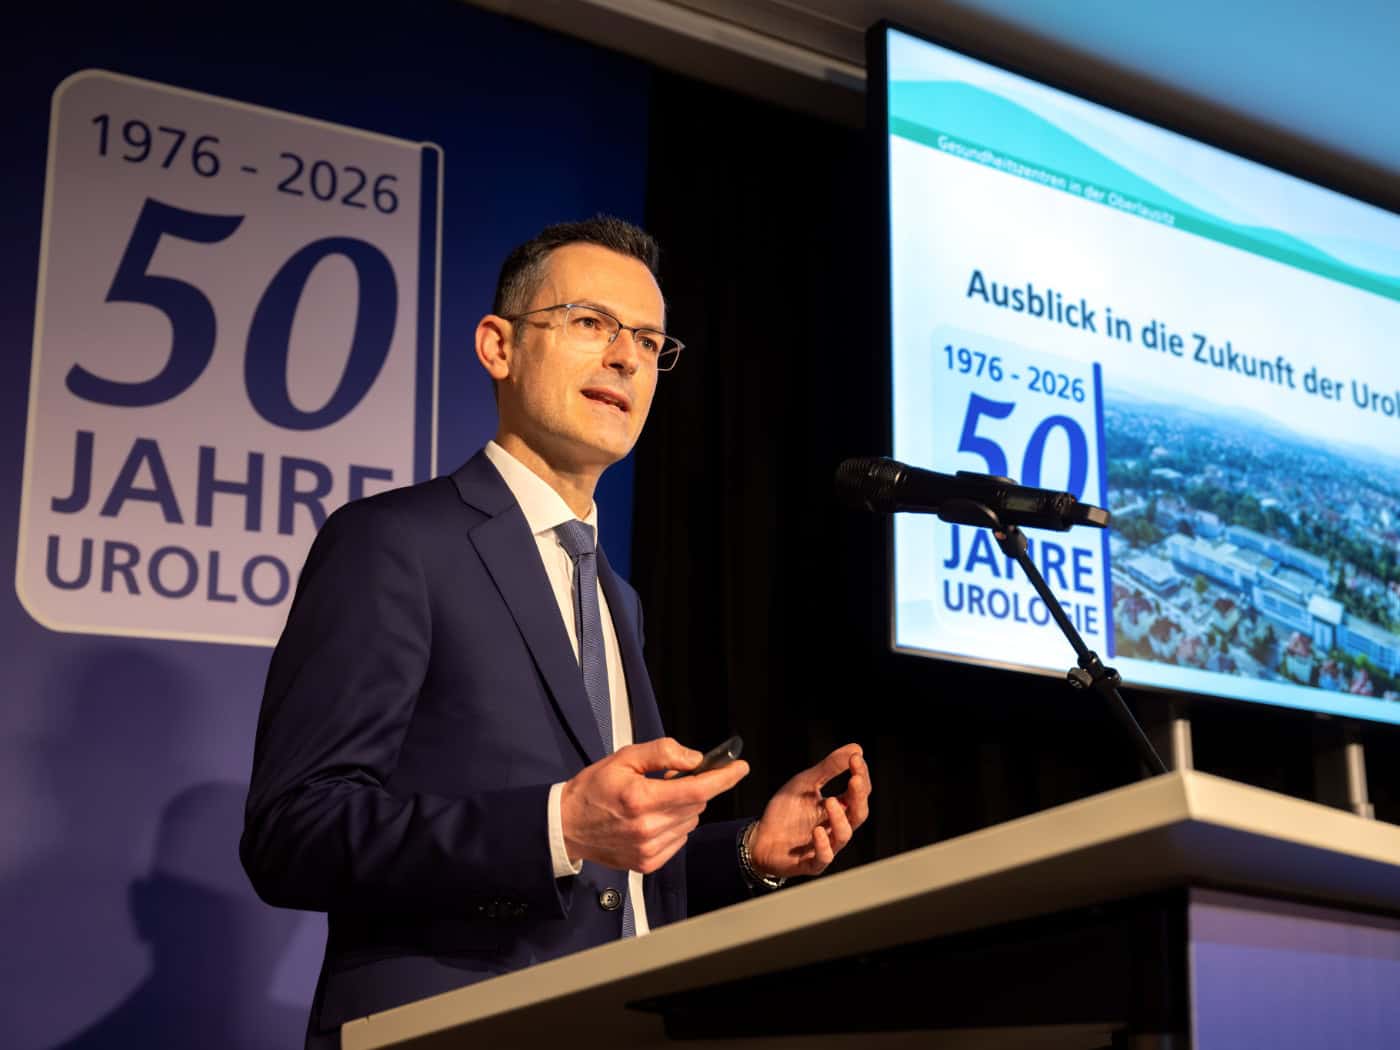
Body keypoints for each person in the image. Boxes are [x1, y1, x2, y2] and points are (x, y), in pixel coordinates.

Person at [241, 217, 871, 1047]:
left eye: (648, 341)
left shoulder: (617, 596)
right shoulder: (394, 543)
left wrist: (750, 849)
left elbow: (608, 881)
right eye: (591, 323)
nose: (625, 358)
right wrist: (557, 825)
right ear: (498, 346)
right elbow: (294, 833)